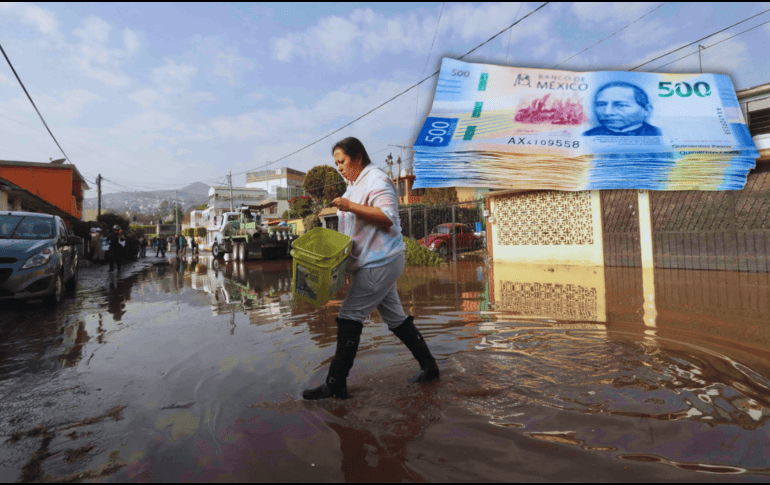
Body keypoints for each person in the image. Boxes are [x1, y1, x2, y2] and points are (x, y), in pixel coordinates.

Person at [302, 137, 439, 401]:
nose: (339, 167)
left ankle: (335, 384)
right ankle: (430, 367)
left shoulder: (376, 179)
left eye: (342, 161)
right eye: (336, 163)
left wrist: (350, 206)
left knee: (348, 316)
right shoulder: (353, 186)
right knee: (396, 319)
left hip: (381, 261)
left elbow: (388, 217)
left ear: (358, 158)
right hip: (372, 262)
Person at [582, 81, 662, 137]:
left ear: (647, 110)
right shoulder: (585, 136)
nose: (607, 112)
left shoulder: (662, 135)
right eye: (601, 105)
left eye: (621, 105)